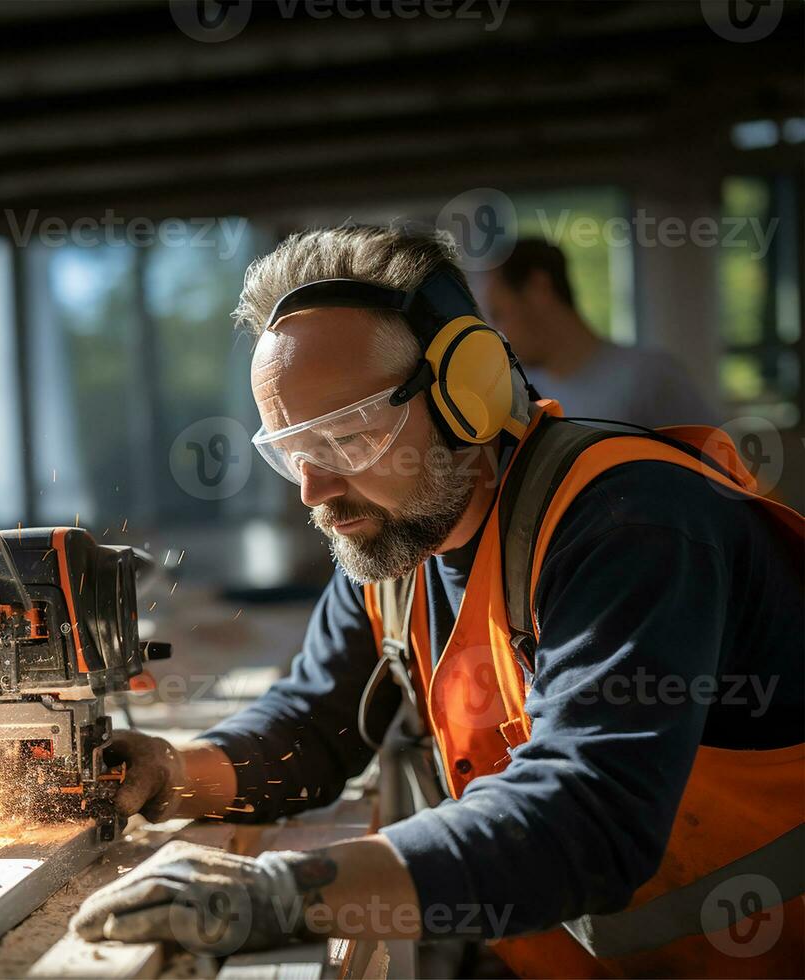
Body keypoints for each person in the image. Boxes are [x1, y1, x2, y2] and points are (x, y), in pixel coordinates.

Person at [77, 226, 802, 976]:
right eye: (292, 452)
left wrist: (283, 894)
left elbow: (591, 815)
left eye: (348, 439)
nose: (314, 491)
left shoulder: (633, 523)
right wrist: (167, 772)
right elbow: (314, 726)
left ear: (469, 393)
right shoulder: (395, 542)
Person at [480, 238, 720, 428]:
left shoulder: (649, 379)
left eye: (499, 314)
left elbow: (724, 476)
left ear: (538, 289)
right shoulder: (521, 401)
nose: (495, 334)